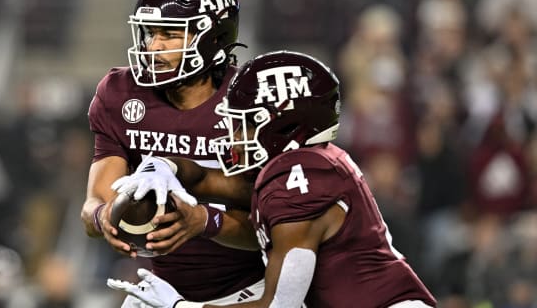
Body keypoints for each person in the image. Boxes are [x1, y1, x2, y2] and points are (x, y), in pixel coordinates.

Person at [107, 50, 437, 308]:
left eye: (246, 123)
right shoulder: (304, 164)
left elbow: (278, 306)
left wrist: (181, 306)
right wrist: (165, 167)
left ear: (284, 125)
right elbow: (208, 180)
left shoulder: (301, 178)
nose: (234, 135)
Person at [80, 0, 266, 306]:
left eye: (169, 34)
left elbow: (273, 230)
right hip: (163, 289)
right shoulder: (121, 94)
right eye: (151, 33)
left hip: (248, 293)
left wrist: (204, 222)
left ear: (212, 37)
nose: (153, 47)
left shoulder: (248, 103)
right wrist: (102, 217)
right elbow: (95, 203)